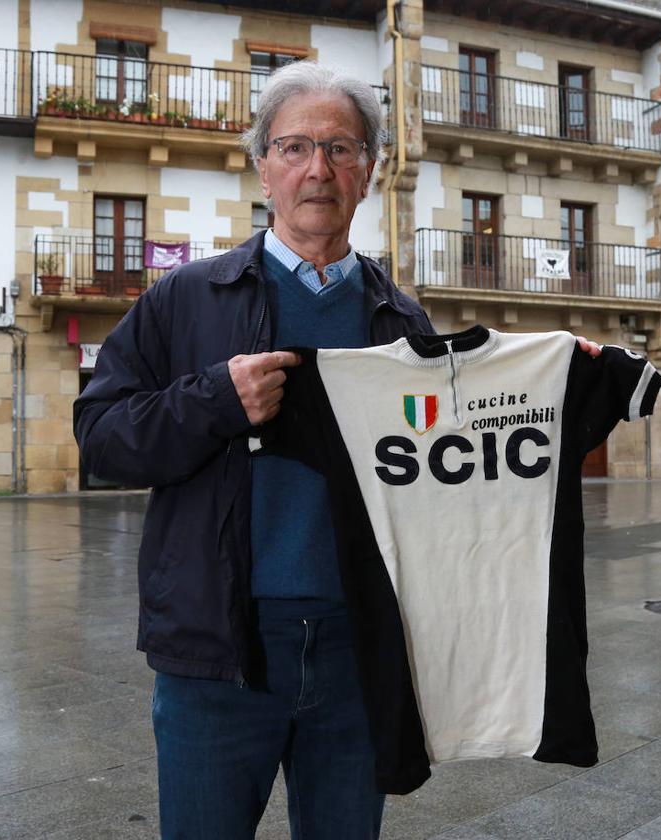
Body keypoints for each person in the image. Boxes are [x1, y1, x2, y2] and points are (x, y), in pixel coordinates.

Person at [74, 61, 431, 839]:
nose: (318, 169)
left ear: (368, 173)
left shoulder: (403, 323)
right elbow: (101, 438)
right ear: (262, 163)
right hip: (218, 651)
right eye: (295, 146)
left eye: (341, 149)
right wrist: (213, 401)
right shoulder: (183, 299)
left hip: (354, 654)